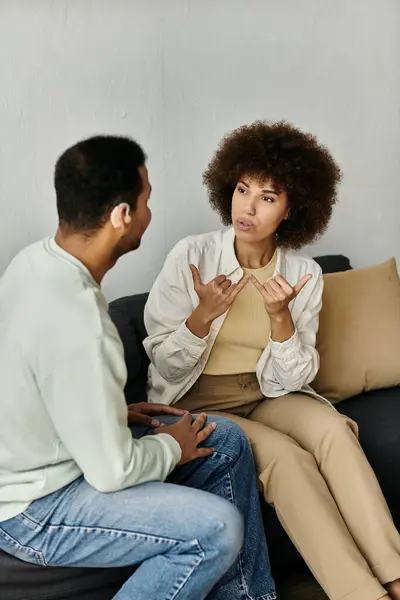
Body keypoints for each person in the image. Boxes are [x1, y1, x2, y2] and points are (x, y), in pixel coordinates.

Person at [0, 135, 276, 600]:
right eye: (146, 200)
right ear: (121, 216)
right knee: (217, 529)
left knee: (224, 441)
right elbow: (113, 472)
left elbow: (33, 379)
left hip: (47, 463)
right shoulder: (84, 322)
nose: (150, 212)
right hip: (35, 508)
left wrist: (109, 412)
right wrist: (170, 447)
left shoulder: (33, 262)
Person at [144, 121, 400, 600]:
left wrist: (280, 318)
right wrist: (202, 317)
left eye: (267, 196)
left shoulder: (303, 274)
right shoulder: (192, 256)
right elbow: (163, 365)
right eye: (243, 190)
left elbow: (295, 377)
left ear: (291, 209)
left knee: (333, 430)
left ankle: (396, 572)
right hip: (196, 401)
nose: (248, 206)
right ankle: (361, 594)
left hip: (265, 392)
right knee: (286, 460)